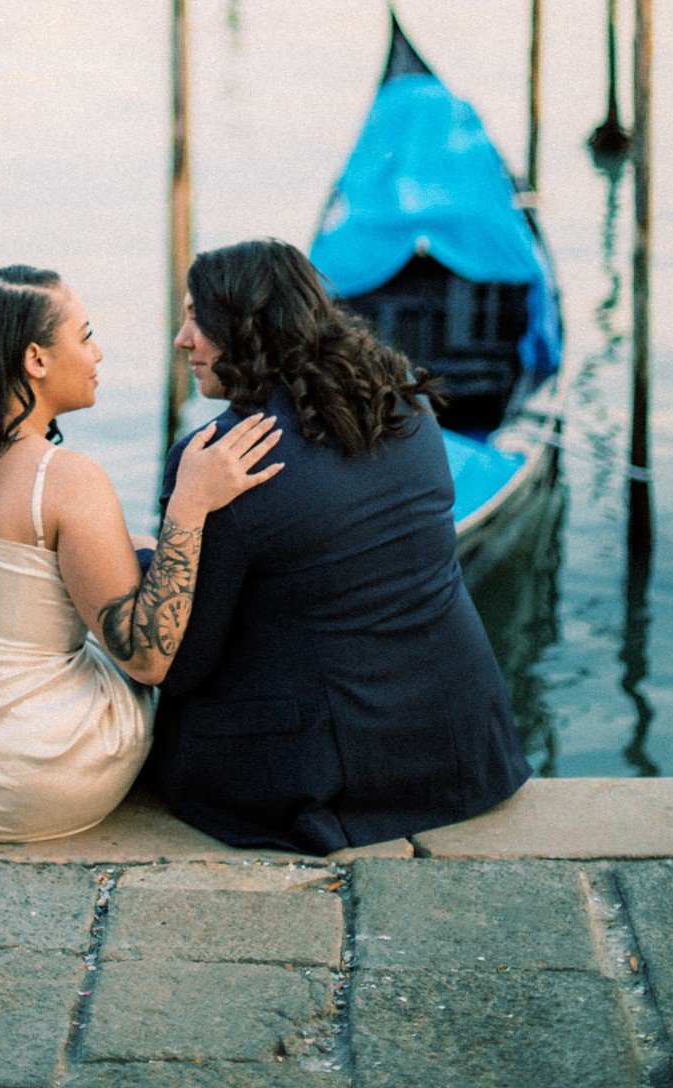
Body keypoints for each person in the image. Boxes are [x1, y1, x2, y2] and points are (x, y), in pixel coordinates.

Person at [0, 264, 281, 842]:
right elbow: (147, 659)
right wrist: (189, 507)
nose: (98, 354)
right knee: (121, 629)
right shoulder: (67, 481)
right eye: (85, 337)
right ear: (36, 359)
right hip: (31, 782)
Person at [147, 238, 532, 853]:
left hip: (329, 780)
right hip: (462, 751)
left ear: (248, 329)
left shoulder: (222, 460)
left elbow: (181, 663)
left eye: (199, 318)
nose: (183, 338)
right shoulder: (400, 394)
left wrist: (152, 555)